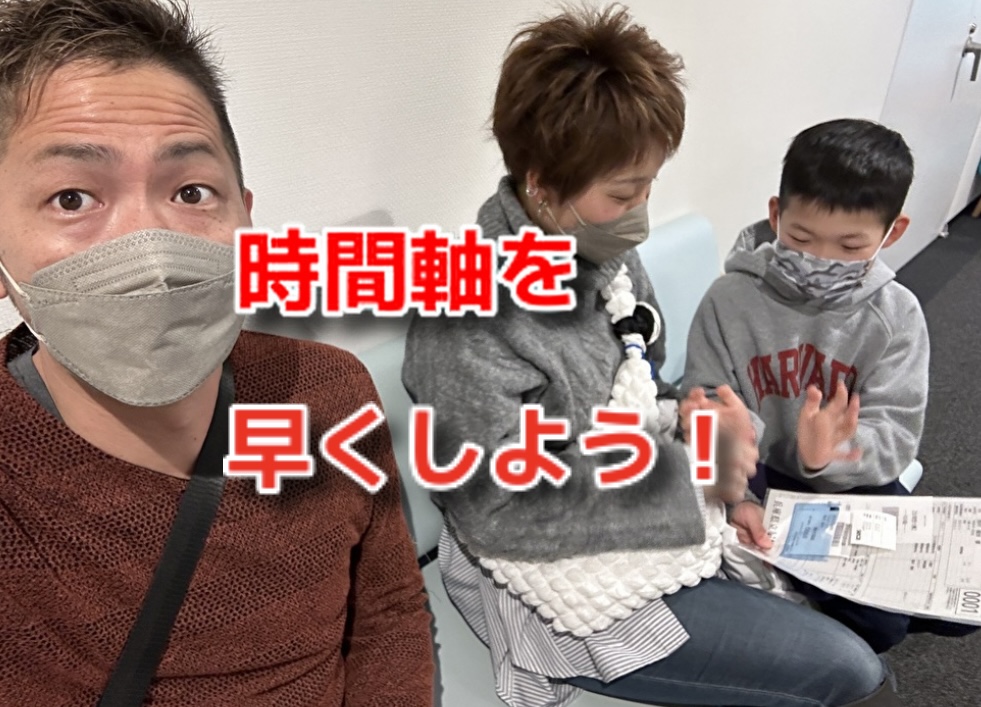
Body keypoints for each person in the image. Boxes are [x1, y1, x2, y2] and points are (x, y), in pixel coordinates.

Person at [402, 6, 902, 706]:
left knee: (875, 601)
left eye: (648, 185)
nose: (640, 211)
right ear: (541, 184)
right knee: (849, 670)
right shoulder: (468, 314)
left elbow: (646, 383)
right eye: (624, 192)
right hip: (551, 580)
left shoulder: (604, 257)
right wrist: (692, 480)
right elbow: (496, 509)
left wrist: (704, 429)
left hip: (652, 507)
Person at [0, 1, 433, 705]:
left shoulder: (327, 391)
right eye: (72, 198)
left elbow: (387, 611)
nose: (151, 251)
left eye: (191, 191)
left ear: (247, 219)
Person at [683, 117, 979, 654]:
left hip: (850, 485)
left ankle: (825, 601)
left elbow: (896, 434)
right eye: (801, 238)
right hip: (763, 479)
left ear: (892, 233)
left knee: (960, 603)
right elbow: (707, 402)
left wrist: (831, 455)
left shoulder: (896, 316)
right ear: (776, 215)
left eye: (850, 244)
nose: (821, 259)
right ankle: (817, 609)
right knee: (879, 628)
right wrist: (736, 492)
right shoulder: (728, 301)